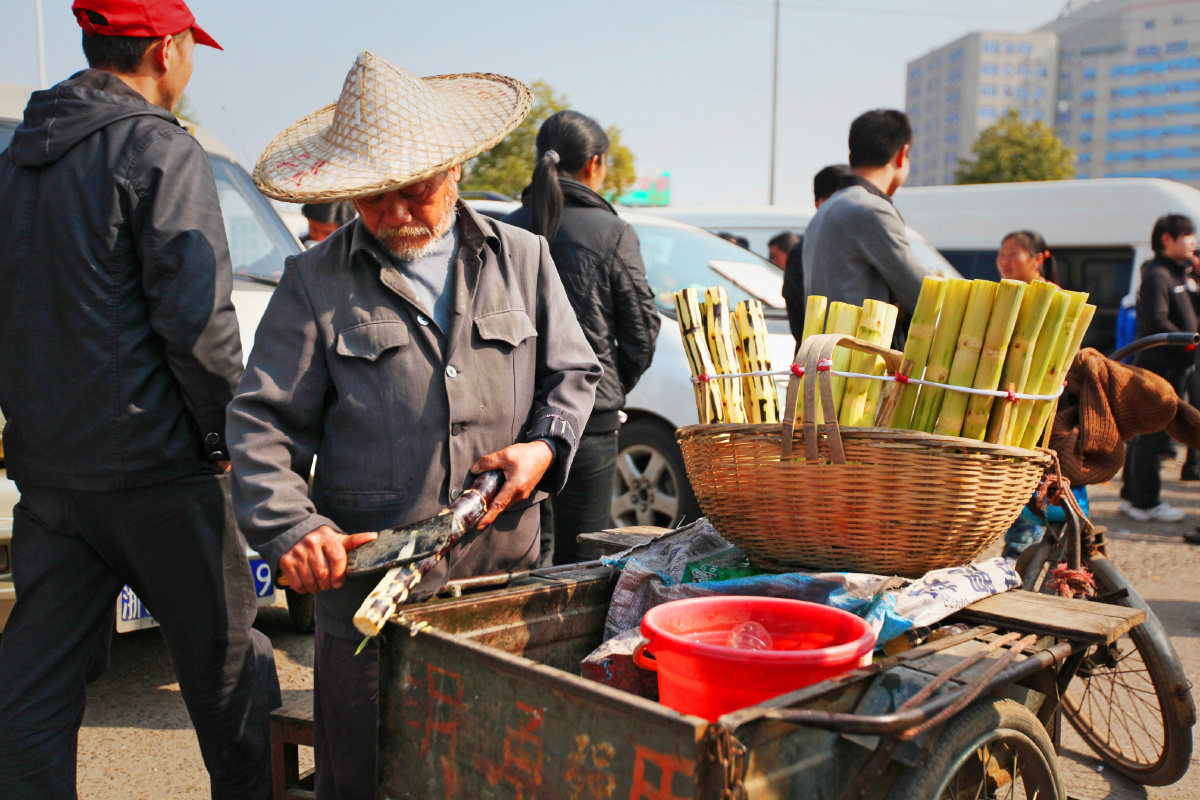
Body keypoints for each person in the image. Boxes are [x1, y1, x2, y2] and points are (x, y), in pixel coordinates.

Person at [226, 53, 600, 800]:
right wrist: (291, 528)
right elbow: (261, 425)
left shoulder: (522, 259)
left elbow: (573, 375)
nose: (395, 212)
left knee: (495, 777)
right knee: (369, 780)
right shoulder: (314, 281)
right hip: (369, 608)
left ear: (456, 169)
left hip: (498, 595)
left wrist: (543, 448)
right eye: (372, 197)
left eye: (415, 191)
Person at [0, 1, 280, 798]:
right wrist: (228, 439)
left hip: (51, 474)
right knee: (230, 673)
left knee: (33, 685)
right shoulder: (158, 148)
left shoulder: (19, 157)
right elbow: (198, 326)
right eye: (192, 49)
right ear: (167, 49)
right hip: (158, 471)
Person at [501, 111, 659, 565]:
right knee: (583, 559)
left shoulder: (504, 228)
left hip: (512, 415)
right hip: (588, 421)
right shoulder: (611, 231)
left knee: (520, 555)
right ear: (594, 164)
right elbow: (641, 332)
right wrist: (605, 387)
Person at [802, 110, 954, 315]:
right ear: (901, 155)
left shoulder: (827, 209)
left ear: (851, 156)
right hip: (858, 344)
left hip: (826, 344)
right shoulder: (870, 210)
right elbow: (924, 295)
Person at [1119, 214, 1199, 523]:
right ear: (1167, 239)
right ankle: (1145, 502)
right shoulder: (1157, 275)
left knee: (1147, 433)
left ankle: (1131, 497)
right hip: (1159, 367)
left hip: (1174, 366)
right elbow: (1156, 321)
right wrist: (1189, 342)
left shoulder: (1179, 274)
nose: (1193, 241)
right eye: (1188, 235)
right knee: (1154, 433)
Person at [782, 164, 850, 345]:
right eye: (830, 199)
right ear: (816, 203)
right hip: (820, 358)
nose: (837, 207)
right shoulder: (802, 251)